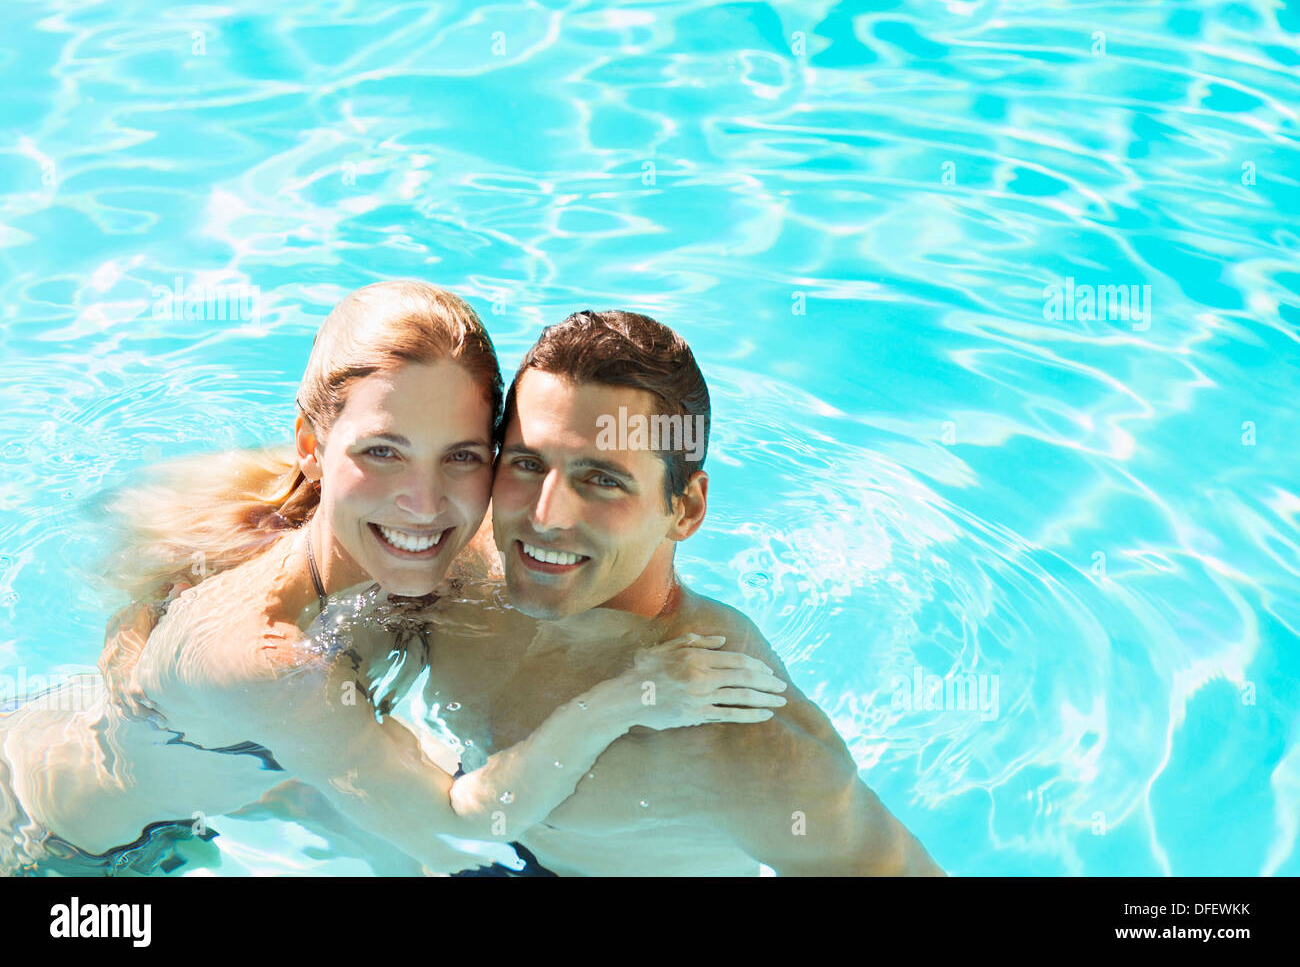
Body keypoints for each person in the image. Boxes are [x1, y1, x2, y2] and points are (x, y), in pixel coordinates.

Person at [0, 283, 786, 876]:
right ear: (312, 444)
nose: (424, 502)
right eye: (383, 451)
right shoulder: (260, 654)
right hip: (67, 857)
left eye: (461, 455)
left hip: (223, 782)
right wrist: (627, 697)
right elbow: (462, 821)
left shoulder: (376, 539)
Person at [406, 309, 945, 875]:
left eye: (603, 480)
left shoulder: (734, 733)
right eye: (528, 463)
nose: (545, 517)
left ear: (684, 509)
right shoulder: (452, 572)